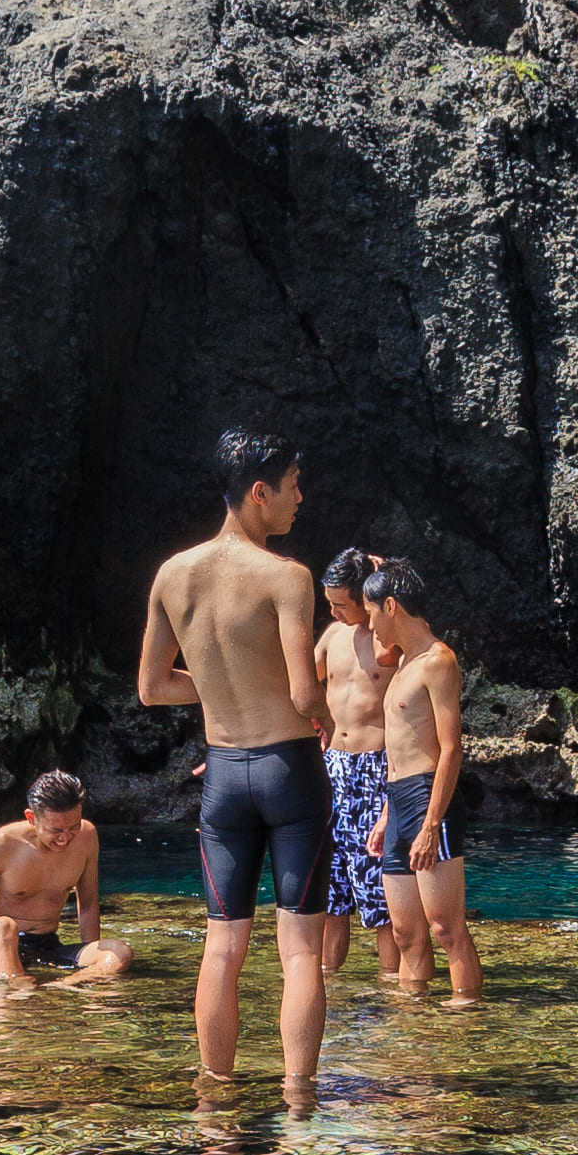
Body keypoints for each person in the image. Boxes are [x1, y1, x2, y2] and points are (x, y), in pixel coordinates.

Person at [135, 428, 339, 1106]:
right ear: (260, 493)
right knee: (301, 949)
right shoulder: (287, 576)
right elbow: (305, 695)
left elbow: (154, 687)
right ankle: (298, 1101)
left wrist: (224, 685)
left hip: (222, 776)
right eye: (293, 485)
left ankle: (215, 1100)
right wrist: (328, 721)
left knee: (222, 946)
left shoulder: (173, 574)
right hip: (287, 770)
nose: (299, 499)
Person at [364, 560, 479, 1006]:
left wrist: (431, 824)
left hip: (431, 799)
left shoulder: (438, 661)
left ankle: (465, 1016)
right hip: (398, 801)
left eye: (373, 610)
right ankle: (416, 1022)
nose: (369, 621)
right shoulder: (402, 663)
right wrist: (386, 815)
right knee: (406, 931)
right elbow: (399, 748)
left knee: (445, 929)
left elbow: (450, 748)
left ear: (391, 606)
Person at [0, 771, 131, 984]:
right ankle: (19, 991)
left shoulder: (87, 837)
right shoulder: (1, 844)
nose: (65, 838)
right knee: (3, 926)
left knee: (119, 953)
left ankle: (60, 987)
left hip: (47, 944)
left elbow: (87, 904)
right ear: (31, 818)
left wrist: (91, 957)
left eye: (73, 827)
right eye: (56, 830)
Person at [316, 553, 403, 990]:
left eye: (341, 604)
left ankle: (392, 986)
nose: (333, 612)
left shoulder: (391, 645)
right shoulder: (332, 636)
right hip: (335, 767)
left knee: (379, 898)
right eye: (328, 603)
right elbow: (299, 682)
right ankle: (330, 988)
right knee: (332, 897)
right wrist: (317, 722)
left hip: (376, 767)